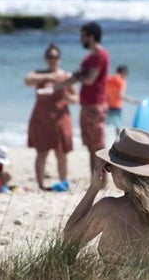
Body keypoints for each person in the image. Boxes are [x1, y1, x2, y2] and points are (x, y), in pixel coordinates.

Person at [63, 127, 149, 263]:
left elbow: (69, 238)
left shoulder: (109, 208)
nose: (110, 171)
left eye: (110, 167)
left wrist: (93, 189)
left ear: (121, 173)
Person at [51, 22, 110, 175]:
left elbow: (89, 79)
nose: (81, 39)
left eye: (83, 36)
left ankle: (102, 182)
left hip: (96, 105)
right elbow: (79, 77)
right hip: (86, 105)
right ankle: (95, 181)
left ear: (91, 37)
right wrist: (58, 86)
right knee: (90, 147)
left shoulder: (100, 55)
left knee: (98, 147)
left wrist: (77, 76)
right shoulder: (88, 58)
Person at [25, 43, 78, 192]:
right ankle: (41, 185)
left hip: (61, 118)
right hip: (41, 119)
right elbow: (27, 80)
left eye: (55, 57)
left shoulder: (67, 77)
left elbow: (76, 99)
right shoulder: (39, 74)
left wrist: (64, 92)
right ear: (45, 59)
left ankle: (63, 183)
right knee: (41, 152)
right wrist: (51, 76)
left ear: (60, 58)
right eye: (49, 57)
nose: (52, 60)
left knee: (62, 153)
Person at [106, 64, 140, 136]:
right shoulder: (121, 81)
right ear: (123, 72)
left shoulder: (109, 78)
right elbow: (121, 95)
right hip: (116, 106)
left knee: (104, 124)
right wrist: (132, 100)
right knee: (117, 126)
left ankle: (101, 141)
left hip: (107, 105)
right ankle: (119, 142)